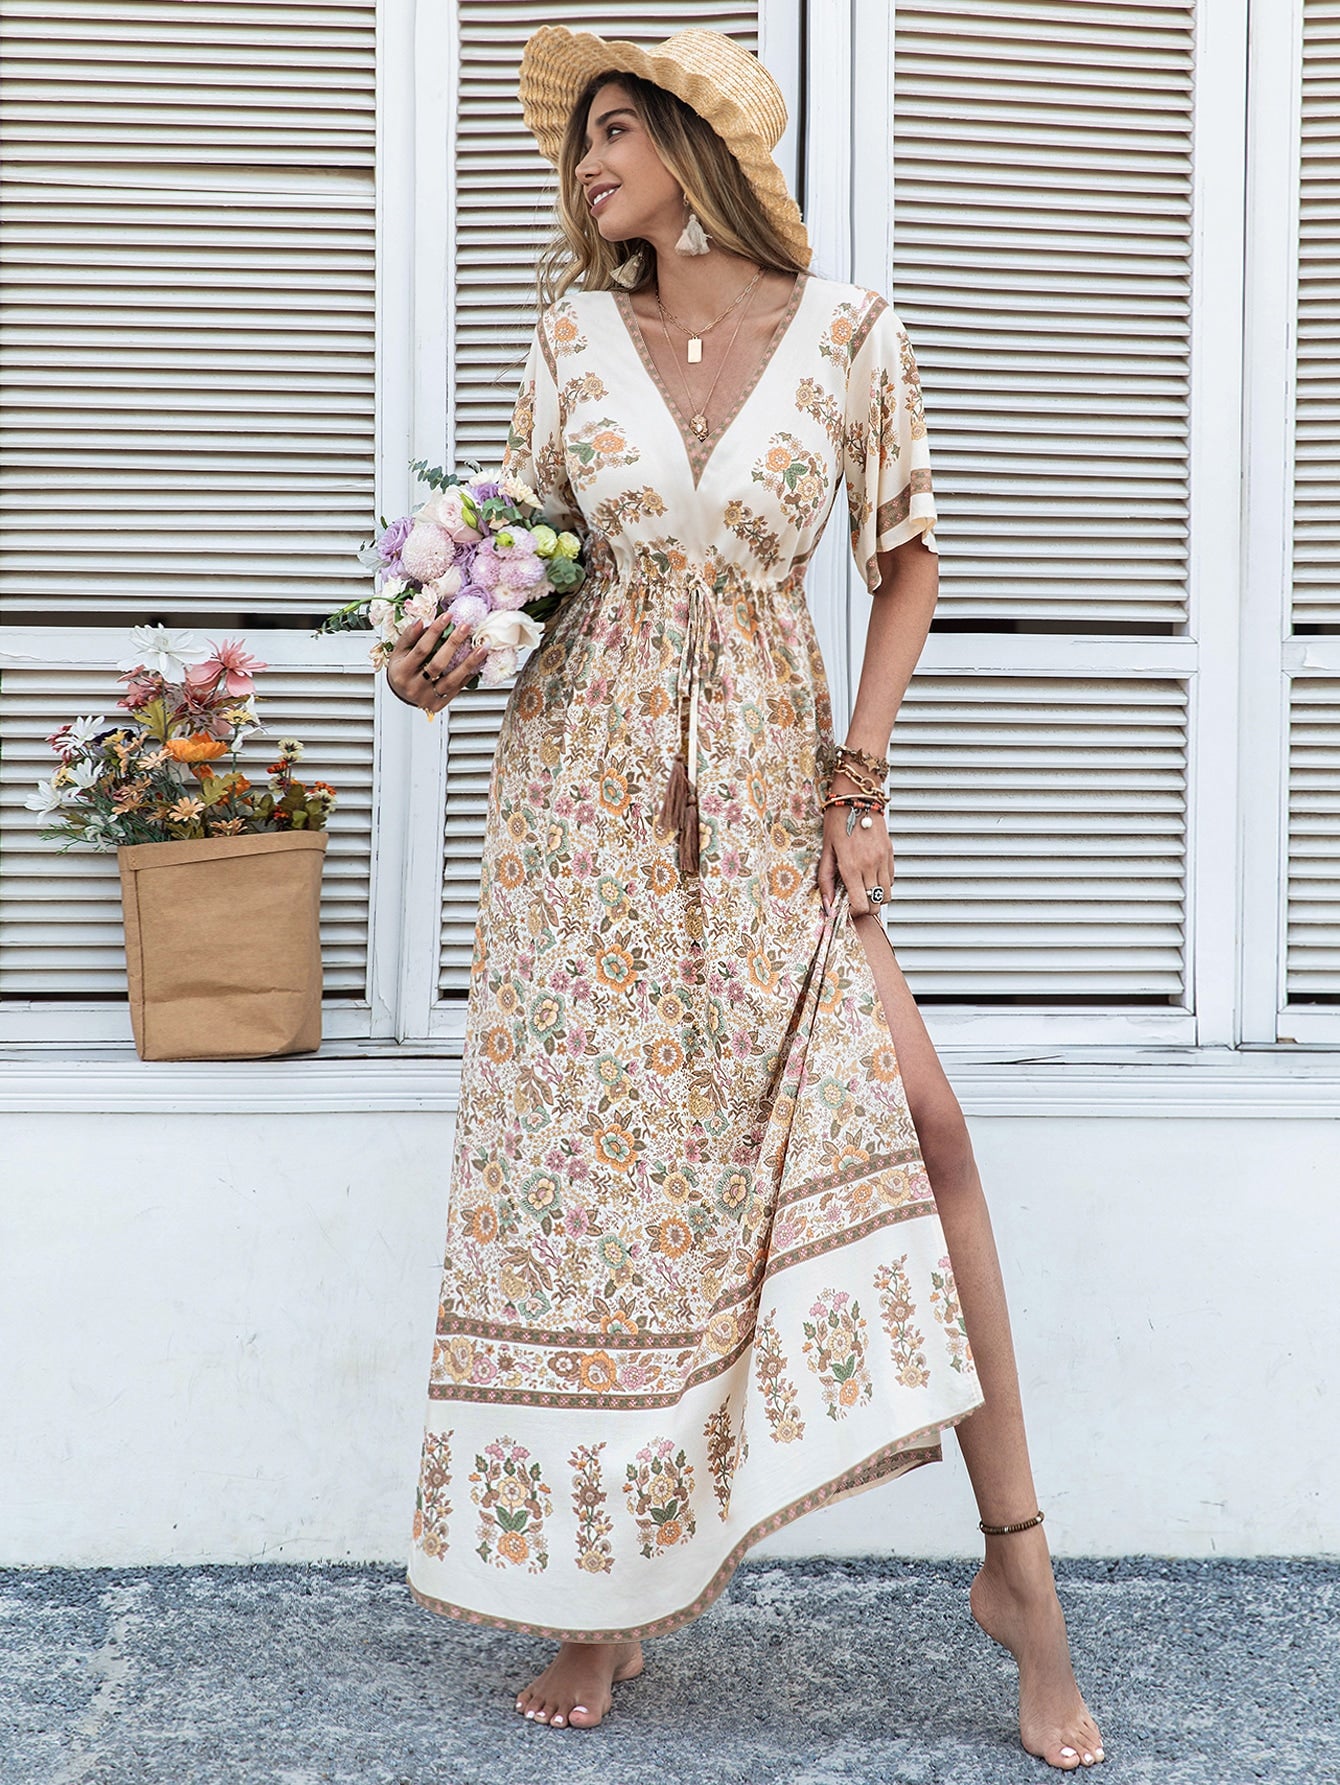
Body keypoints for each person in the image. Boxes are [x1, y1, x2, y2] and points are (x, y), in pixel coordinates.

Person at [388, 24, 1105, 1773]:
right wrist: (436, 650)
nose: (585, 166)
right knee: (618, 1192)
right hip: (584, 815)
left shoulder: (850, 333)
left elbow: (906, 561)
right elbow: (521, 564)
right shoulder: (570, 343)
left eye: (614, 131)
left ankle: (1022, 1573)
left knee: (927, 1128)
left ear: (698, 150)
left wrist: (860, 780)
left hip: (779, 805)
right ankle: (606, 1595)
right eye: (579, 141)